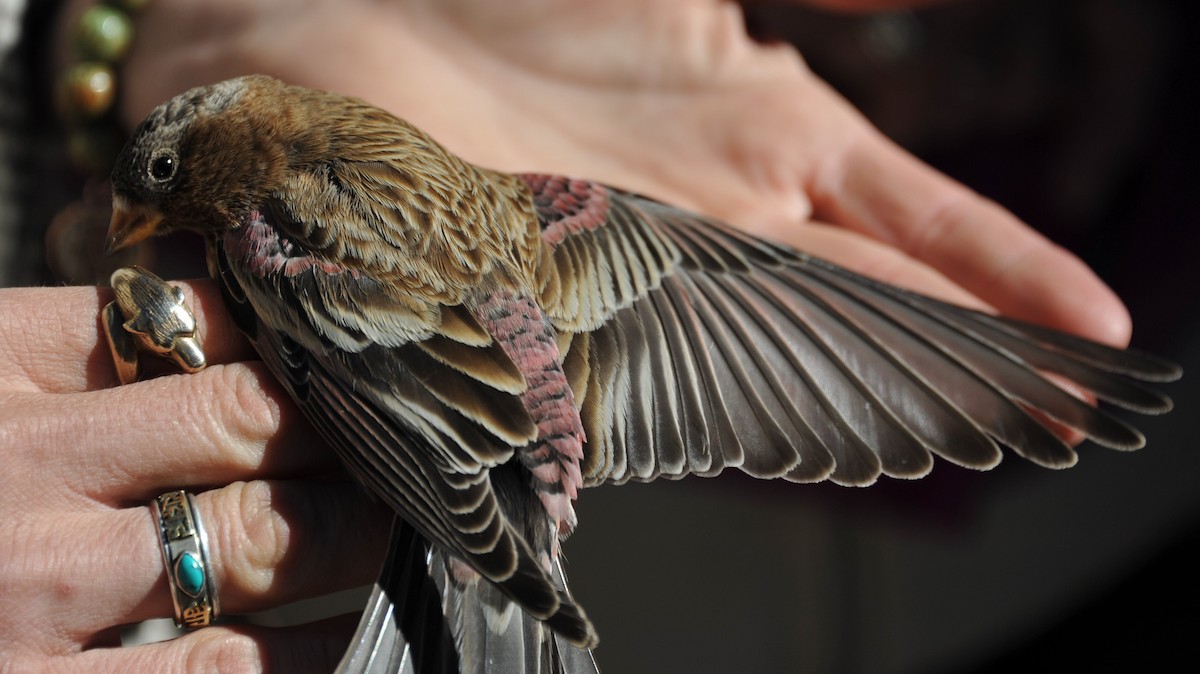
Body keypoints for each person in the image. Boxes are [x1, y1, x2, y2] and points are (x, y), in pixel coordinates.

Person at [0, 1, 1167, 672]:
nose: (139, 211)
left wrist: (473, 522)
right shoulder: (555, 203)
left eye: (156, 179)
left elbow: (362, 374)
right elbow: (707, 282)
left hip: (446, 476)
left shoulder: (270, 226)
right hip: (502, 454)